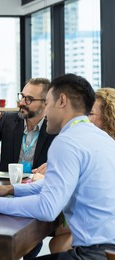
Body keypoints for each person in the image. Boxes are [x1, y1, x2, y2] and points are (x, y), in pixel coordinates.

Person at [0, 74, 115, 260]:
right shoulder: (100, 138)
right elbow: (55, 184)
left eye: (48, 103)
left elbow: (47, 208)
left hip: (94, 256)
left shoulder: (67, 141)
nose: (46, 112)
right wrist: (11, 189)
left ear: (61, 101)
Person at [41, 87, 115, 254]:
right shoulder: (91, 147)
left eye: (89, 114)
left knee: (59, 239)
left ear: (108, 118)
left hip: (103, 246)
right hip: (101, 237)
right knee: (57, 241)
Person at [0, 78, 56, 174]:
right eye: (22, 96)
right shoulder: (7, 120)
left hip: (38, 185)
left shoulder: (56, 128)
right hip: (7, 185)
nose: (22, 102)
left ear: (45, 103)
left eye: (28, 99)